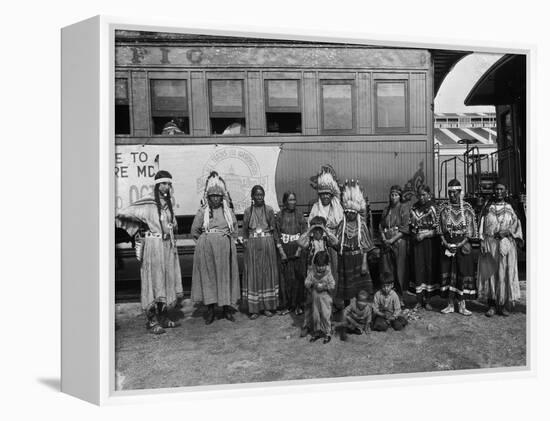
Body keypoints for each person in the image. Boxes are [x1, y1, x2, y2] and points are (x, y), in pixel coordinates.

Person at [115, 170, 183, 334]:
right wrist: (138, 228)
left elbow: (173, 224)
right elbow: (124, 212)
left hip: (167, 246)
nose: (167, 187)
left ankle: (164, 317)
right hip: (153, 246)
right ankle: (152, 321)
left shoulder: (168, 204)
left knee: (165, 280)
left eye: (169, 184)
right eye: (164, 183)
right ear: (158, 184)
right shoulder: (148, 203)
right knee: (153, 281)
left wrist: (172, 225)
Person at [190, 172, 240, 324]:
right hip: (207, 251)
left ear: (222, 197)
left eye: (218, 196)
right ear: (208, 198)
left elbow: (235, 230)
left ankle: (226, 308)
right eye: (213, 196)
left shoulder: (228, 212)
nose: (216, 199)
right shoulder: (203, 212)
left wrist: (227, 243)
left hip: (224, 251)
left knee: (225, 278)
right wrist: (205, 243)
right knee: (209, 278)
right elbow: (195, 231)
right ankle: (210, 309)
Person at [478, 182, 524, 317]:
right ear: (494, 191)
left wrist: (507, 232)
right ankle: (491, 305)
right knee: (490, 273)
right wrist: (481, 241)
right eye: (496, 189)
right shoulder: (488, 208)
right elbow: (481, 225)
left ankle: (503, 305)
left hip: (506, 245)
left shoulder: (510, 208)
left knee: (504, 274)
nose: (498, 192)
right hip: (490, 244)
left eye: (501, 189)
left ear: (505, 191)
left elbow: (517, 226)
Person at [437, 179, 478, 316]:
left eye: (454, 192)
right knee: (449, 274)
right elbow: (440, 231)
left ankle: (462, 305)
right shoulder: (443, 208)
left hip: (462, 246)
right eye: (449, 192)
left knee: (462, 274)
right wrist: (447, 244)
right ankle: (449, 305)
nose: (452, 195)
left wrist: (459, 244)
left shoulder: (467, 208)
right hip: (447, 246)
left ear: (460, 192)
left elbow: (471, 231)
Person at [241, 185, 279, 319]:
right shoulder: (247, 211)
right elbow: (244, 230)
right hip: (252, 245)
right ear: (252, 196)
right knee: (254, 274)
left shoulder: (269, 210)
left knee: (267, 274)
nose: (259, 197)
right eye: (257, 195)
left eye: (261, 194)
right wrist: (246, 244)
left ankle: (267, 307)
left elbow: (274, 229)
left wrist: (277, 245)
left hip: (267, 243)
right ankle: (254, 309)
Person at [336, 180, 377, 303]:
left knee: (360, 289)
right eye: (347, 212)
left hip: (359, 259)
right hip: (345, 260)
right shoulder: (341, 225)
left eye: (352, 213)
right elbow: (337, 244)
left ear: (356, 213)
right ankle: (348, 312)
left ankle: (361, 311)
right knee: (347, 290)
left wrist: (364, 263)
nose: (349, 215)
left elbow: (365, 247)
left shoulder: (362, 226)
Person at [297, 215, 338, 337]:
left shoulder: (326, 240)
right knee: (310, 300)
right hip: (312, 273)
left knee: (326, 300)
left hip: (326, 273)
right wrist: (310, 230)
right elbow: (299, 242)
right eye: (316, 230)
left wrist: (325, 230)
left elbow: (335, 241)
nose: (318, 232)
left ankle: (327, 325)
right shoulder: (309, 241)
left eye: (320, 230)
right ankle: (307, 324)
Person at [308, 166, 344, 291]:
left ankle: (335, 299)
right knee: (321, 269)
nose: (325, 197)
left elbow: (341, 224)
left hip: (334, 242)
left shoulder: (336, 205)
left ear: (331, 195)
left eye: (327, 194)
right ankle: (322, 297)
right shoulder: (315, 207)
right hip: (321, 243)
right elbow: (311, 225)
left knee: (335, 269)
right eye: (322, 194)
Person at [275, 191, 308, 315]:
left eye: (294, 199)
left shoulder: (299, 215)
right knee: (286, 280)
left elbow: (305, 233)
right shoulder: (279, 216)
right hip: (285, 251)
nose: (292, 202)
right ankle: (287, 305)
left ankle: (299, 304)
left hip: (298, 252)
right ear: (284, 202)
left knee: (298, 279)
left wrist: (299, 250)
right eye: (290, 200)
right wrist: (281, 251)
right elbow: (276, 235)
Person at [409, 185, 439, 310]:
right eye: (419, 195)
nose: (421, 197)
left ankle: (427, 300)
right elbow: (410, 226)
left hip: (429, 244)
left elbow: (438, 229)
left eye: (423, 195)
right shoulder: (414, 207)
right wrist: (415, 234)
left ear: (429, 194)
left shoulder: (432, 208)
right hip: (417, 243)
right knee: (417, 268)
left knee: (428, 268)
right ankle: (418, 299)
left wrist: (425, 234)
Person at [379, 185, 410, 306]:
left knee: (400, 270)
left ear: (400, 196)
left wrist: (392, 240)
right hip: (386, 243)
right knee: (387, 269)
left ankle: (401, 297)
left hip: (398, 242)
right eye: (392, 195)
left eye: (396, 195)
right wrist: (383, 237)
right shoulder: (386, 209)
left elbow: (404, 228)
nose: (393, 197)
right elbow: (381, 225)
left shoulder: (403, 208)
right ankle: (389, 297)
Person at [304, 251, 335, 344]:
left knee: (325, 316)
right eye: (318, 265)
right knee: (316, 316)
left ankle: (327, 333)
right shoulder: (312, 272)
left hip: (325, 299)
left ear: (327, 264)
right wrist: (311, 283)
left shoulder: (328, 273)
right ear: (315, 264)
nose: (320, 268)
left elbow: (332, 285)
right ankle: (317, 332)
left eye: (322, 265)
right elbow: (306, 282)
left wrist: (325, 286)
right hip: (315, 299)